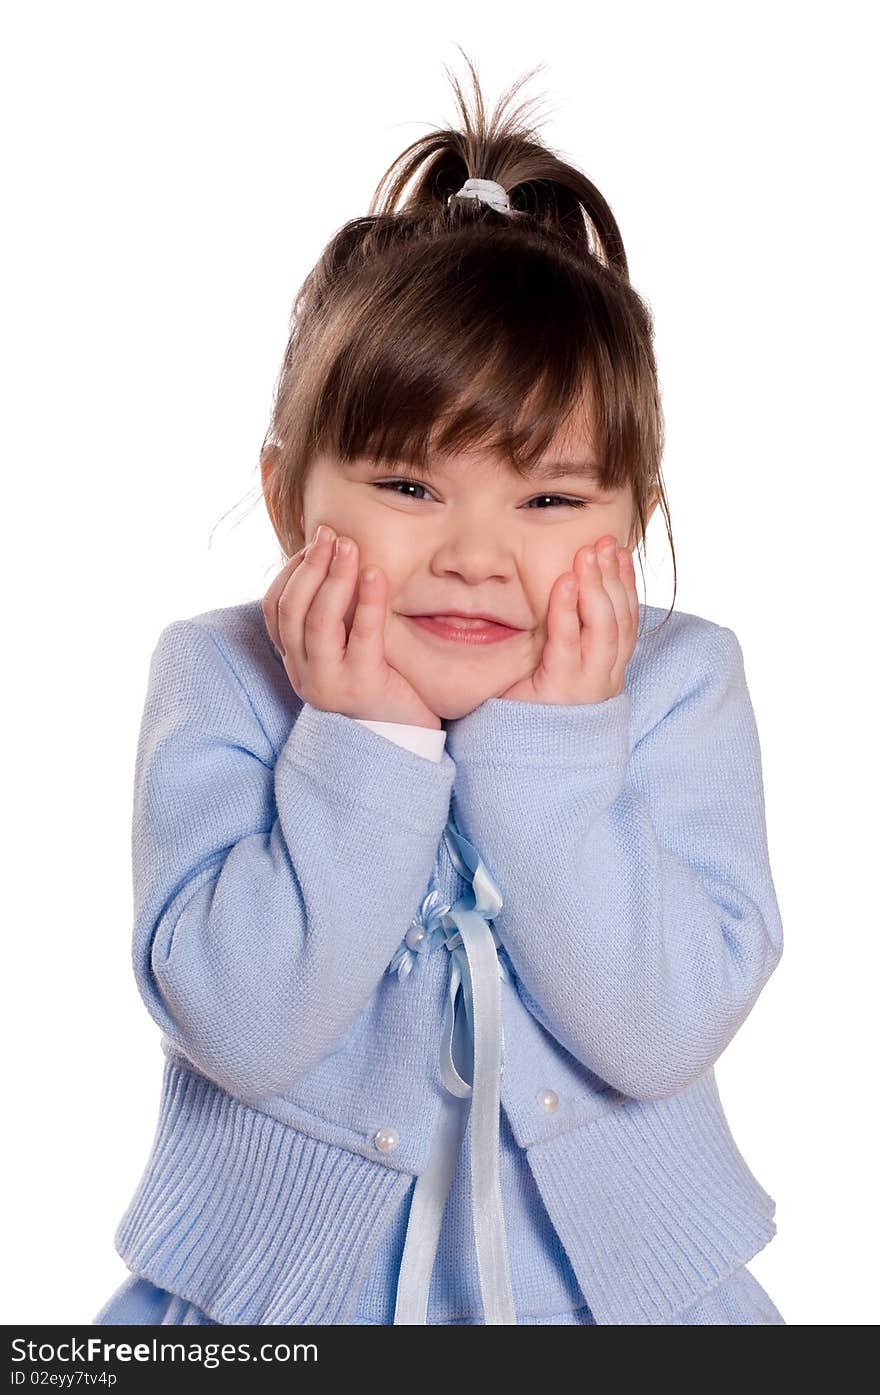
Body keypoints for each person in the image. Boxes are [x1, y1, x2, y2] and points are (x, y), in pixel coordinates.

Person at [94, 53, 786, 1326]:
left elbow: (660, 1032)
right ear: (286, 496)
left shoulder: (681, 687)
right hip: (270, 1310)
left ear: (633, 525)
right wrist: (365, 743)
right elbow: (239, 1029)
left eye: (550, 499)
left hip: (628, 1308)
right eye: (409, 488)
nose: (473, 553)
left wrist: (558, 758)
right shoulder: (222, 681)